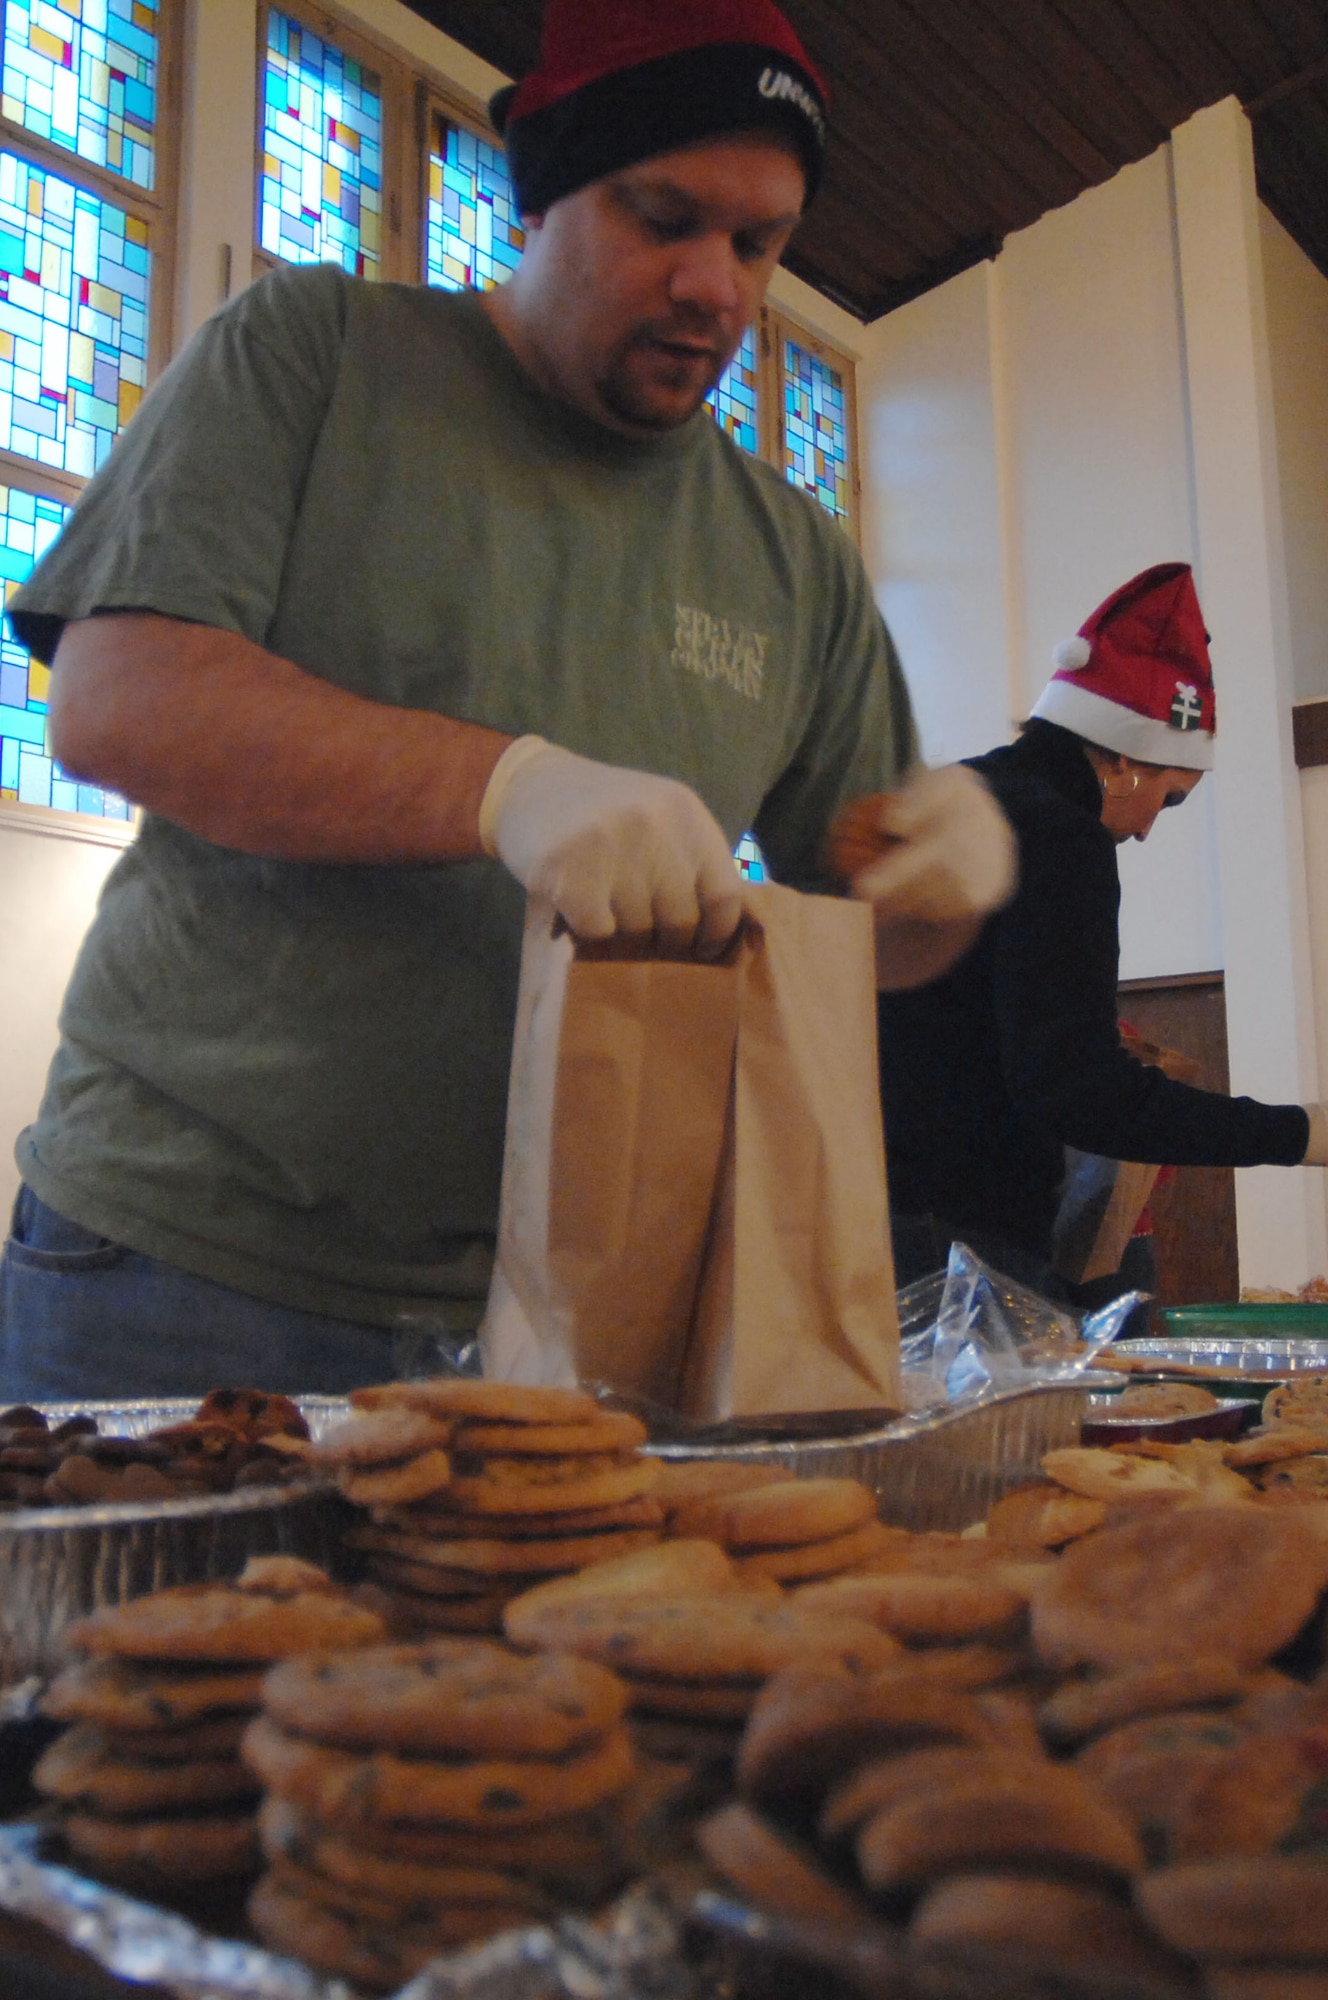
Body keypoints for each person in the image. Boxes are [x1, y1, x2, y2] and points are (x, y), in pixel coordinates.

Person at [0, 0, 1014, 1400]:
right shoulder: (316, 353)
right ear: (540, 194)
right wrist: (503, 786)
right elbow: (119, 700)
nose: (717, 287)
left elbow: (867, 932)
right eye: (665, 217)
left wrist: (950, 881)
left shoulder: (793, 562)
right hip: (189, 1270)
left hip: (589, 1303)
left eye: (760, 244)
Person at [877, 561, 1328, 1294]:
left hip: (860, 1218)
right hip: (958, 1242)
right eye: (1169, 798)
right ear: (1122, 760)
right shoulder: (1061, 836)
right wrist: (1302, 1133)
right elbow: (1078, 1091)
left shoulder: (953, 792)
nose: (1149, 830)